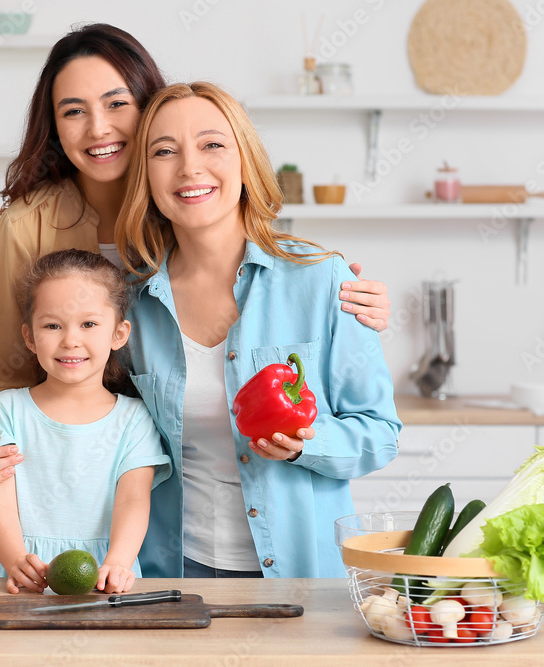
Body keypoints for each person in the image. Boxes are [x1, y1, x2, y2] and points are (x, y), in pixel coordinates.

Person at [0, 23, 391, 501]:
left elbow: (264, 277)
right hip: (73, 467)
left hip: (161, 482)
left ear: (148, 108)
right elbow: (9, 373)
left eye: (117, 103)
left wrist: (338, 298)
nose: (98, 128)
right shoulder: (32, 223)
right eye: (73, 111)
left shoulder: (190, 205)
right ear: (54, 126)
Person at [112, 81, 400, 578]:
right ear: (146, 177)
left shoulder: (322, 280)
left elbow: (380, 434)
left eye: (212, 144)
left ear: (245, 160)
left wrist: (309, 442)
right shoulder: (132, 304)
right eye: (164, 151)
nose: (190, 167)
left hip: (299, 579)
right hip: (172, 574)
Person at [0, 249, 170, 594]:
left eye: (89, 324)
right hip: (21, 574)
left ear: (119, 334)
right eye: (52, 325)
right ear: (29, 337)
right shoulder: (7, 409)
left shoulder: (134, 419)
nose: (70, 340)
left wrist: (119, 562)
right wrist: (15, 560)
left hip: (102, 574)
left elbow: (134, 501)